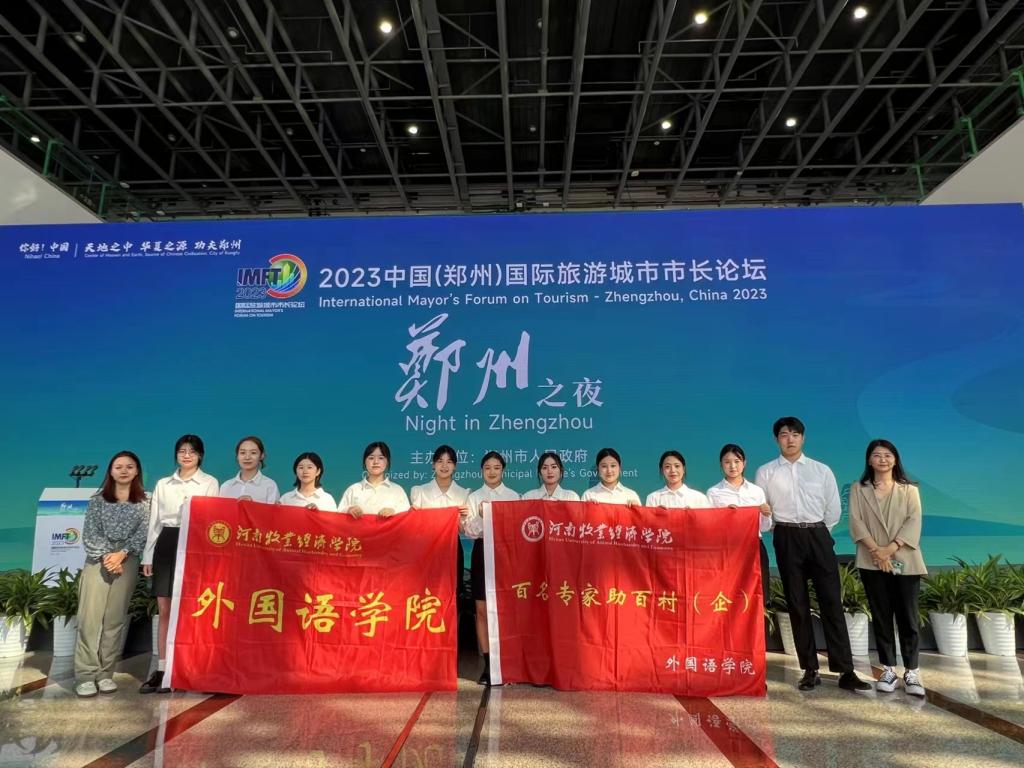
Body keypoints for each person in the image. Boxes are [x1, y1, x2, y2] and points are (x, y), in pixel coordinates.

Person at [754, 417, 870, 693]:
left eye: (795, 434)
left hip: (818, 535)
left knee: (831, 601)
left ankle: (846, 670)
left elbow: (833, 509)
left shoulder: (821, 470)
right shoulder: (766, 472)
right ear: (777, 439)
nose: (790, 439)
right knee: (797, 603)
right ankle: (809, 669)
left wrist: (817, 531)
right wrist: (780, 527)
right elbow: (763, 512)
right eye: (784, 434)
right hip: (786, 536)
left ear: (803, 438)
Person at [848, 439, 927, 697]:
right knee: (881, 615)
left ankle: (912, 671)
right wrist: (877, 551)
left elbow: (914, 521)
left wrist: (889, 549)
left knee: (908, 617)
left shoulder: (909, 489)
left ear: (895, 459)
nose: (882, 459)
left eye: (887, 455)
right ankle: (888, 669)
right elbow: (856, 522)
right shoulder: (859, 488)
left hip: (905, 559)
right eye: (877, 455)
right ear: (869, 460)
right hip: (871, 560)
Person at [140, 435, 219, 694]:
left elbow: (211, 519)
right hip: (167, 542)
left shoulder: (210, 482)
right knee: (165, 609)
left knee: (190, 608)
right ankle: (163, 669)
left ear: (200, 456)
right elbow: (154, 521)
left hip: (195, 542)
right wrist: (148, 556)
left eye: (192, 451)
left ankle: (187, 668)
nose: (186, 455)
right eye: (182, 451)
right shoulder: (163, 484)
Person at [74, 451, 149, 698]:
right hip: (98, 561)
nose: (124, 470)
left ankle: (105, 674)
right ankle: (86, 675)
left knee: (114, 620)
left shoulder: (145, 502)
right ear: (111, 471)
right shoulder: (97, 500)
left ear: (137, 471)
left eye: (129, 466)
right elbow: (90, 533)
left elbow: (143, 532)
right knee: (90, 620)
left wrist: (122, 554)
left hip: (127, 562)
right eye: (118, 466)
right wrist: (109, 557)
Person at [464, 451, 520, 685]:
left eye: (496, 467)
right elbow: (469, 531)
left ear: (503, 470)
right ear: (481, 471)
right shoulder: (474, 497)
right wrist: (480, 516)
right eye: (487, 468)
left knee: (505, 609)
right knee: (482, 609)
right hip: (481, 552)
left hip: (504, 553)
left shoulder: (513, 496)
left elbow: (516, 529)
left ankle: (505, 663)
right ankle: (488, 665)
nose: (492, 471)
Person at [706, 444, 774, 605]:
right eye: (727, 462)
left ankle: (759, 622)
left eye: (737, 461)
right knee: (729, 592)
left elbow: (764, 528)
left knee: (758, 592)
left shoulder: (756, 491)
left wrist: (766, 514)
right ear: (721, 465)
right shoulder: (713, 492)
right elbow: (709, 526)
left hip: (754, 546)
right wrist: (725, 516)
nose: (732, 466)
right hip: (727, 549)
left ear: (744, 463)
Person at [339, 442, 410, 518]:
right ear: (365, 462)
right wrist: (349, 510)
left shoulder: (397, 491)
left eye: (381, 458)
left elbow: (407, 517)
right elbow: (338, 515)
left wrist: (394, 512)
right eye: (371, 458)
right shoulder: (353, 490)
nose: (376, 462)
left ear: (387, 462)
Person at [219, 436, 280, 503]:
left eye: (253, 453)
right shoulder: (225, 487)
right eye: (243, 453)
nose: (247, 457)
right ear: (237, 456)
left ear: (261, 456)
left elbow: (272, 510)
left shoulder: (270, 486)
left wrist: (251, 506)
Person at [645, 450, 710, 508]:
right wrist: (657, 514)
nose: (673, 470)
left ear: (684, 469)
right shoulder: (652, 498)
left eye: (677, 466)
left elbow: (707, 518)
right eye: (667, 466)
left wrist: (691, 514)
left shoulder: (699, 498)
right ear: (662, 470)